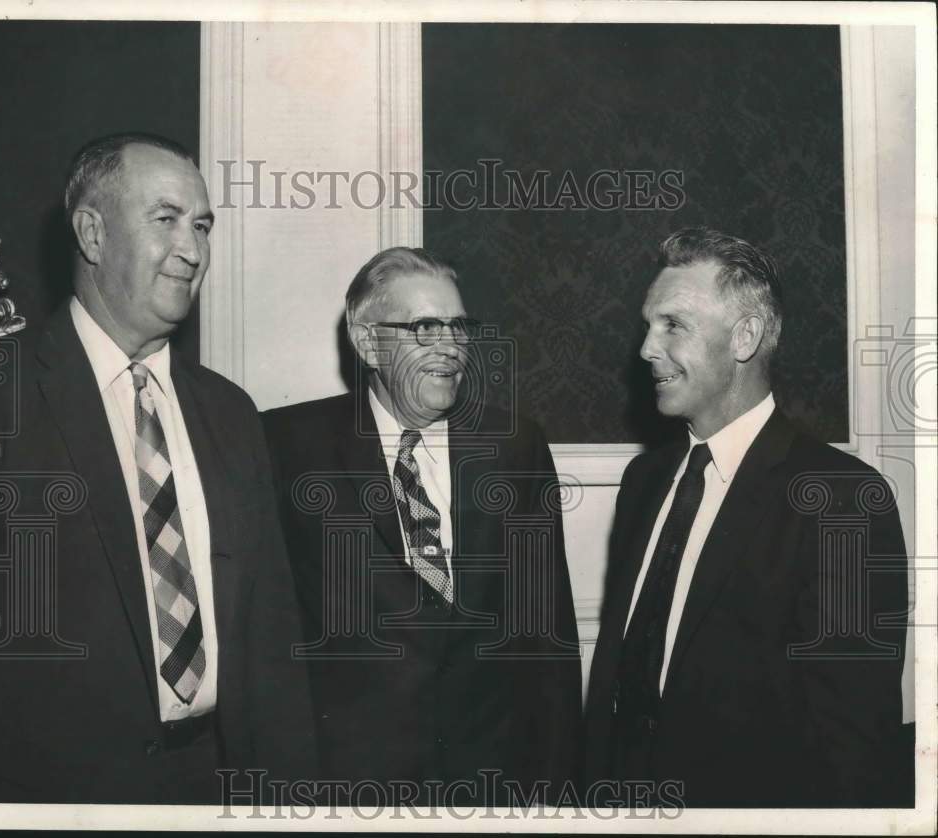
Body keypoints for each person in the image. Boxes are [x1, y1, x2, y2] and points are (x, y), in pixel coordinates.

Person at [0, 133, 314, 804]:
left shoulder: (232, 414)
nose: (193, 249)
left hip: (220, 786)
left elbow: (272, 642)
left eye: (203, 226)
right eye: (167, 219)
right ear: (92, 234)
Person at [583, 227, 909, 807]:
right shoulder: (645, 483)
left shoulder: (842, 500)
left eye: (673, 325)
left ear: (745, 337)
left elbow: (852, 749)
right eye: (648, 325)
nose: (646, 349)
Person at [262, 246, 582, 806]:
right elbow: (265, 635)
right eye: (424, 328)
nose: (450, 348)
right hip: (348, 790)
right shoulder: (287, 447)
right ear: (368, 342)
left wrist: (554, 793)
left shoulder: (514, 447)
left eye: (458, 328)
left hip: (493, 784)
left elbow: (546, 636)